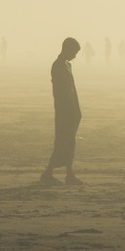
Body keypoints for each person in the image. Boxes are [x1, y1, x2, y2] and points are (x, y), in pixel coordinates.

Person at [41, 38, 84, 185]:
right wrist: (69, 109)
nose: (75, 56)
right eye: (74, 52)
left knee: (70, 142)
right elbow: (62, 92)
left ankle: (69, 174)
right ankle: (48, 173)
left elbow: (72, 91)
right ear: (67, 49)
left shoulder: (67, 65)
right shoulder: (58, 66)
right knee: (62, 142)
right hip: (64, 111)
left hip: (71, 111)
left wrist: (77, 111)